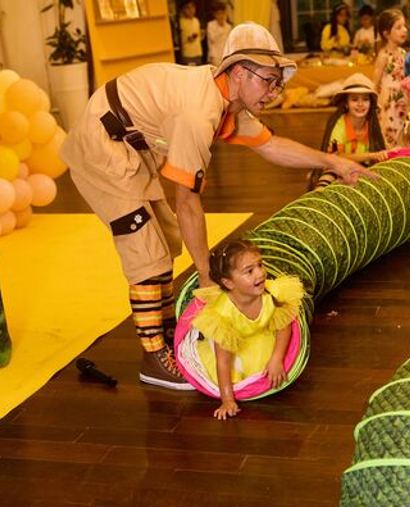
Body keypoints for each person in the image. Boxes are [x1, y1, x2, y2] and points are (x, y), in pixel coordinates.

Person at [60, 22, 376, 391]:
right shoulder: (199, 112)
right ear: (239, 72)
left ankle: (166, 331)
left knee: (166, 239)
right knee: (146, 251)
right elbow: (187, 202)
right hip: (102, 147)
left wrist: (335, 163)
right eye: (268, 81)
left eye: (277, 84)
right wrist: (207, 277)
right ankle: (153, 356)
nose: (274, 92)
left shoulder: (228, 100)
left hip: (133, 145)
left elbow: (271, 146)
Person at [191, 239, 305, 420]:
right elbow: (223, 362)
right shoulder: (223, 314)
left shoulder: (271, 295)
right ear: (229, 283)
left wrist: (276, 359)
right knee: (235, 370)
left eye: (260, 265)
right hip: (235, 345)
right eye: (249, 271)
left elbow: (283, 327)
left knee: (271, 362)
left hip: (262, 337)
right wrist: (227, 400)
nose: (260, 273)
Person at [308, 73, 387, 190]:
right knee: (330, 174)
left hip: (361, 169)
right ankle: (318, 196)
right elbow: (337, 156)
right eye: (354, 99)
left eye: (365, 99)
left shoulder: (372, 125)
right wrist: (372, 155)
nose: (360, 104)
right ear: (346, 103)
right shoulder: (340, 124)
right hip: (337, 167)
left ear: (371, 104)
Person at [373, 8, 408, 147]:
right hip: (388, 104)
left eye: (404, 26)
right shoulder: (383, 56)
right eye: (398, 27)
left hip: (403, 101)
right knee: (389, 136)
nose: (404, 30)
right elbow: (375, 83)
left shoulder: (404, 53)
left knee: (402, 135)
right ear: (386, 33)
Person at [206, 2, 232, 67]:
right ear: (214, 14)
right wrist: (220, 27)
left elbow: (229, 42)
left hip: (226, 55)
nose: (221, 16)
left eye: (222, 13)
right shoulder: (210, 25)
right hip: (214, 56)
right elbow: (212, 39)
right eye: (218, 14)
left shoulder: (228, 26)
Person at [179, 0, 203, 66]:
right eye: (188, 8)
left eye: (193, 7)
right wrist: (191, 37)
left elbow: (199, 38)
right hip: (188, 54)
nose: (191, 10)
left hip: (198, 52)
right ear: (183, 9)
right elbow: (182, 39)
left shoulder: (196, 20)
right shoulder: (181, 22)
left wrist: (202, 35)